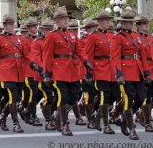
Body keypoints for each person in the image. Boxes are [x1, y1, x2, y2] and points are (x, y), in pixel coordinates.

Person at [43, 8, 88, 136]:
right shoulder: (52, 35)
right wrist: (47, 74)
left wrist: (86, 62)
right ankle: (64, 124)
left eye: (67, 18)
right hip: (59, 71)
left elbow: (79, 51)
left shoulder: (72, 35)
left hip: (72, 70)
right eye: (63, 19)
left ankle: (57, 114)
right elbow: (47, 56)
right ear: (57, 21)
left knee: (74, 96)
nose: (66, 21)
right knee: (63, 96)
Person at [111, 9, 149, 140]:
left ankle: (124, 121)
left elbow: (142, 55)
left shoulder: (136, 36)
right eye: (127, 22)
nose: (130, 24)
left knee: (141, 98)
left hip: (137, 71)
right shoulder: (117, 38)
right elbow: (115, 57)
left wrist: (146, 71)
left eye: (131, 22)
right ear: (122, 23)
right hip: (125, 72)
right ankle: (132, 129)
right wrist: (119, 74)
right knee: (128, 99)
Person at [0, 14, 29, 133]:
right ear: (5, 25)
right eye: (9, 24)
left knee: (16, 98)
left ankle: (1, 116)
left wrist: (34, 64)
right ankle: (16, 124)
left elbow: (26, 54)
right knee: (12, 98)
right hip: (6, 72)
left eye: (13, 23)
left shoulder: (18, 38)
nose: (12, 25)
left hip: (18, 72)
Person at [84, 10, 118, 135]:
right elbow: (88, 56)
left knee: (116, 94)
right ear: (98, 22)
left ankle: (98, 115)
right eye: (105, 20)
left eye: (109, 20)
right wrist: (89, 72)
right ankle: (106, 124)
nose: (107, 22)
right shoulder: (93, 36)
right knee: (105, 95)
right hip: (100, 70)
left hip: (112, 70)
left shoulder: (112, 36)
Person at [30, 18, 56, 130]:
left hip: (56, 74)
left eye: (51, 29)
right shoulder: (37, 42)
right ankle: (48, 120)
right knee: (48, 96)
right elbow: (37, 58)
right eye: (48, 29)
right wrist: (43, 70)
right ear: (43, 30)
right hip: (42, 75)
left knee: (59, 97)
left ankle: (51, 114)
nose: (50, 31)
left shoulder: (55, 40)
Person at [134, 14, 153, 133]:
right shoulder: (135, 38)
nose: (147, 25)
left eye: (147, 23)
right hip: (143, 69)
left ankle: (142, 115)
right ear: (138, 25)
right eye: (144, 23)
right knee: (145, 97)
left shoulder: (152, 39)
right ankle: (147, 121)